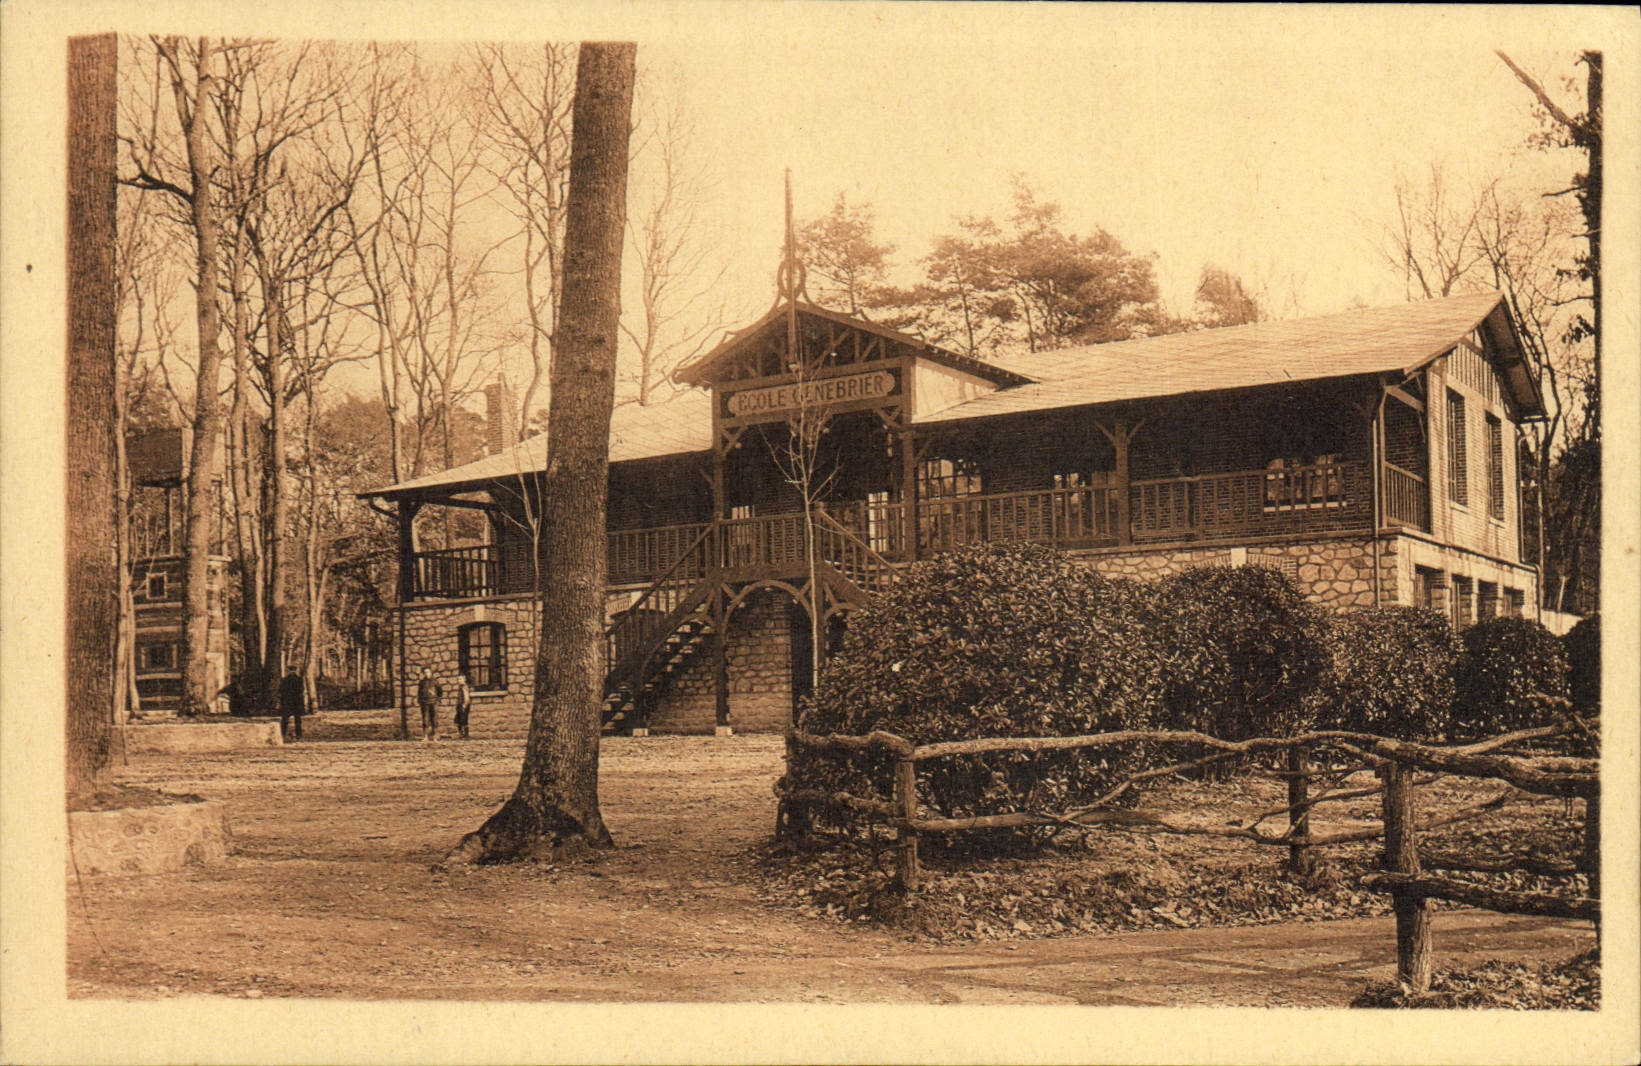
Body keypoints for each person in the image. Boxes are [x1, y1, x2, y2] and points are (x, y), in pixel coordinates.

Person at [278, 668, 306, 741]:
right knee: (297, 720)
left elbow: (281, 691)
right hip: (296, 702)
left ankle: (283, 734)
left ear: (288, 671)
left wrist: (282, 701)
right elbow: (301, 691)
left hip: (287, 702)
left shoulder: (284, 680)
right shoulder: (299, 680)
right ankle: (298, 735)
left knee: (285, 719)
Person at [416, 666, 442, 742]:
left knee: (434, 719)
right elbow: (419, 692)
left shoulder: (435, 681)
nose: (427, 674)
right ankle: (425, 736)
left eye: (428, 672)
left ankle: (435, 736)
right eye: (425, 672)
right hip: (425, 703)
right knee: (425, 720)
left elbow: (440, 691)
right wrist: (420, 701)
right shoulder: (422, 682)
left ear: (431, 673)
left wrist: (438, 700)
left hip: (433, 702)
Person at [453, 673, 472, 740]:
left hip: (463, 705)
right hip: (459, 705)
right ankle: (461, 735)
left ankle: (466, 736)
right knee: (458, 720)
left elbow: (467, 698)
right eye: (458, 679)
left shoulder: (464, 687)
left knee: (463, 720)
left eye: (460, 679)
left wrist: (464, 705)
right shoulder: (460, 687)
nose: (459, 680)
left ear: (464, 679)